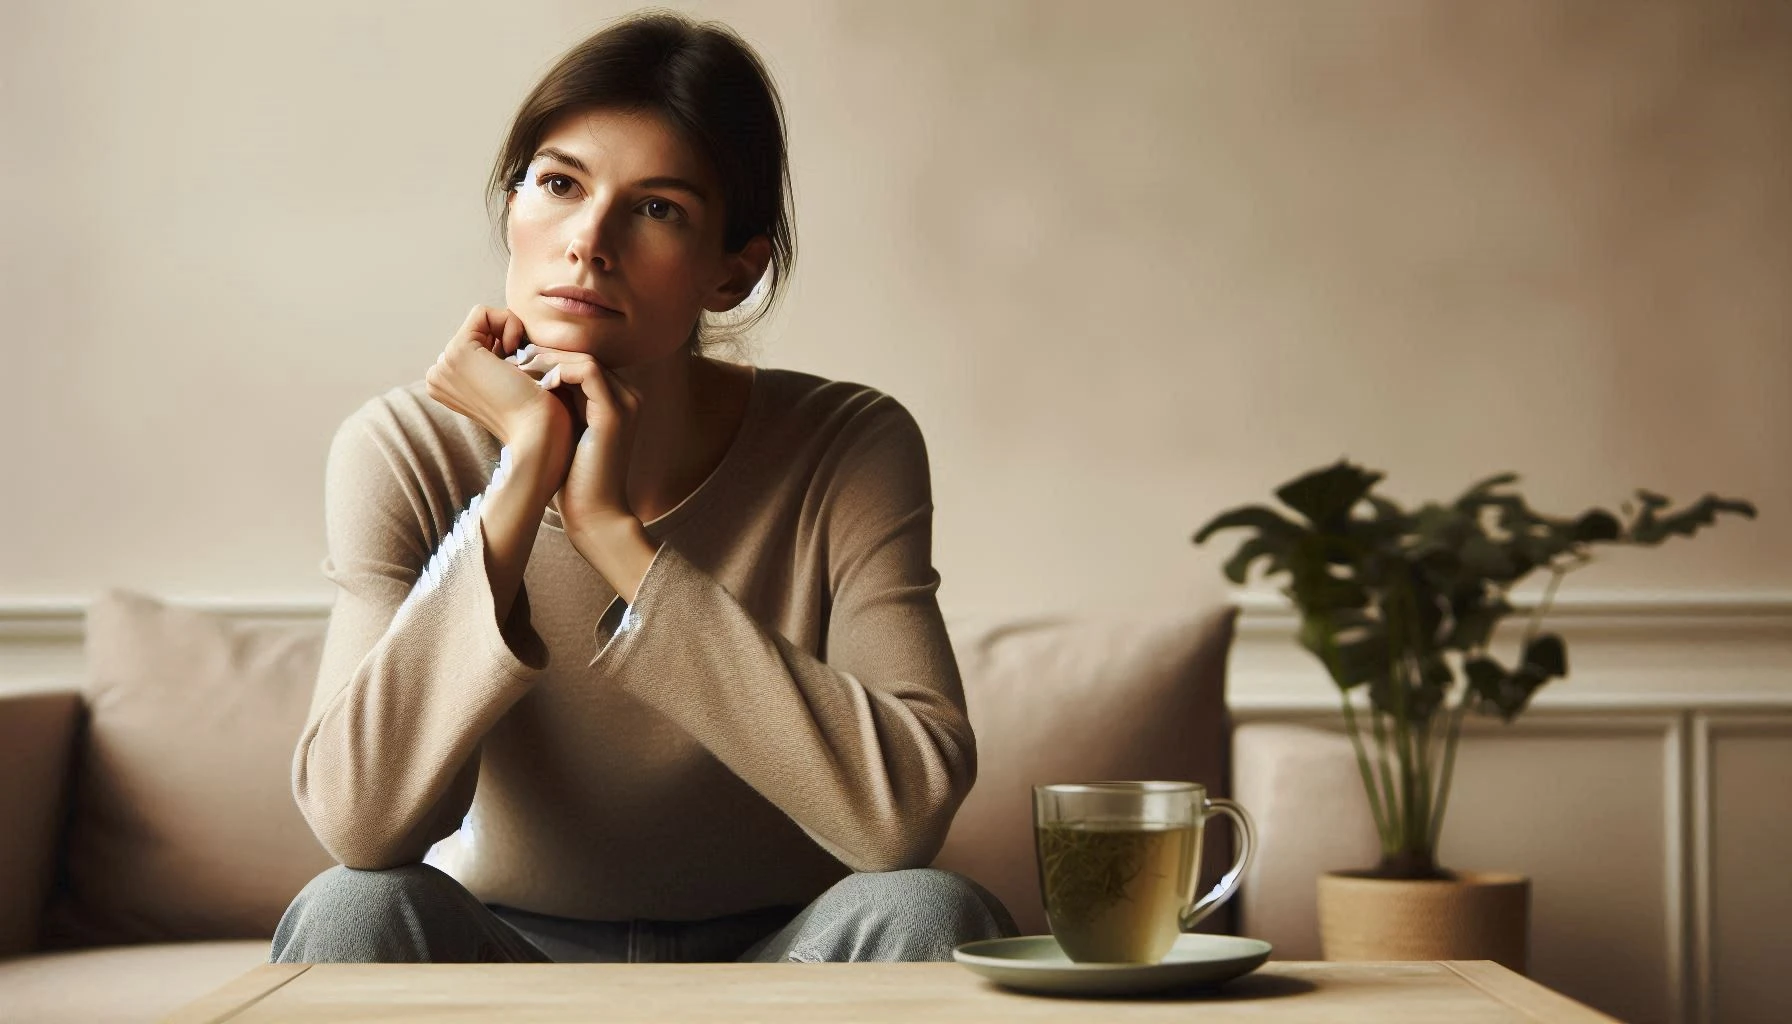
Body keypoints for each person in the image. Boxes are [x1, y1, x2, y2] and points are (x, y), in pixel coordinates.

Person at [268, 10, 1015, 965]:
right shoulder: (401, 448)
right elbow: (361, 825)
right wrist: (520, 478)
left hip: (789, 966)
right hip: (503, 964)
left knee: (927, 910)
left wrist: (614, 535)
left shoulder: (848, 446)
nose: (588, 241)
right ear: (512, 206)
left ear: (733, 273)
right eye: (558, 184)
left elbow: (903, 818)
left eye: (657, 207)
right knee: (349, 911)